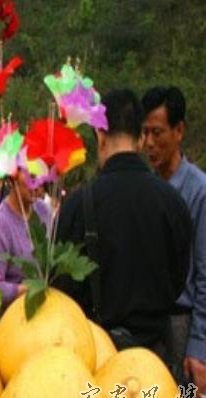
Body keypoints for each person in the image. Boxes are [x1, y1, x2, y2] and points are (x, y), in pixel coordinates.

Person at [56, 89, 191, 359]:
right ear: (140, 139)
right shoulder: (173, 203)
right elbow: (179, 280)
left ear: (100, 136)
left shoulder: (77, 206)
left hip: (96, 360)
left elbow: (62, 289)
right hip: (155, 360)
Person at [142, 85, 206, 391]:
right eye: (145, 133)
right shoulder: (145, 188)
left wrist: (199, 345)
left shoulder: (198, 191)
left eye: (157, 133)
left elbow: (205, 273)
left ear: (179, 131)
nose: (149, 143)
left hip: (184, 323)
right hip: (149, 326)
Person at [0, 168, 51, 308]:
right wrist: (27, 289)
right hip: (16, 312)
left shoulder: (43, 210)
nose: (37, 182)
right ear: (12, 178)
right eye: (30, 174)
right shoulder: (1, 222)